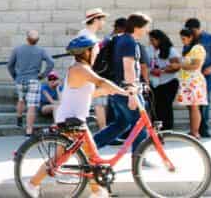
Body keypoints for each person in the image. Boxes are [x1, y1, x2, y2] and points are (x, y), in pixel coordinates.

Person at [21, 34, 135, 198]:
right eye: (95, 50)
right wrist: (124, 91)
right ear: (87, 52)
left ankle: (32, 185)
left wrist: (111, 91)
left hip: (69, 119)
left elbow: (91, 93)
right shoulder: (79, 69)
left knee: (64, 158)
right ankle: (97, 192)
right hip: (72, 122)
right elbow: (101, 82)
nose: (97, 52)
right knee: (92, 157)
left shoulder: (81, 69)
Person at [93, 13, 151, 148]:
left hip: (117, 88)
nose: (147, 31)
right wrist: (132, 94)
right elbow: (129, 68)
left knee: (121, 123)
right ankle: (139, 159)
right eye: (146, 27)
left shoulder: (120, 39)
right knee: (140, 122)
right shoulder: (129, 42)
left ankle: (90, 148)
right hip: (127, 90)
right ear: (137, 27)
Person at [183, 18, 211, 138]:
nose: (191, 33)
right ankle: (194, 129)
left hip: (205, 75)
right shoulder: (190, 40)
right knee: (192, 102)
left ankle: (203, 128)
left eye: (192, 31)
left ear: (197, 28)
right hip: (191, 76)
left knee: (204, 101)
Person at [8, 29, 54, 136]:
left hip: (20, 79)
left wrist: (15, 76)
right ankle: (29, 130)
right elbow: (51, 63)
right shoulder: (41, 50)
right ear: (37, 40)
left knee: (21, 100)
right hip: (34, 79)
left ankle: (19, 118)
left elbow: (9, 65)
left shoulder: (17, 49)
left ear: (27, 38)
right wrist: (43, 75)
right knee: (31, 106)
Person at [175, 28, 207, 138]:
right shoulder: (189, 48)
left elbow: (196, 65)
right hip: (187, 81)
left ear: (191, 37)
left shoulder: (198, 48)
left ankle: (195, 132)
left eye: (184, 39)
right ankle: (193, 130)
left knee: (194, 106)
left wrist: (179, 65)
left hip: (193, 81)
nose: (183, 41)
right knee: (190, 106)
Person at [148, 29, 178, 131]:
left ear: (159, 40)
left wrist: (162, 70)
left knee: (165, 107)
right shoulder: (150, 49)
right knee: (155, 107)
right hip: (155, 82)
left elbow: (176, 66)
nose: (151, 42)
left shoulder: (170, 50)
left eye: (153, 40)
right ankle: (156, 129)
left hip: (168, 82)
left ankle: (167, 129)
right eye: (150, 40)